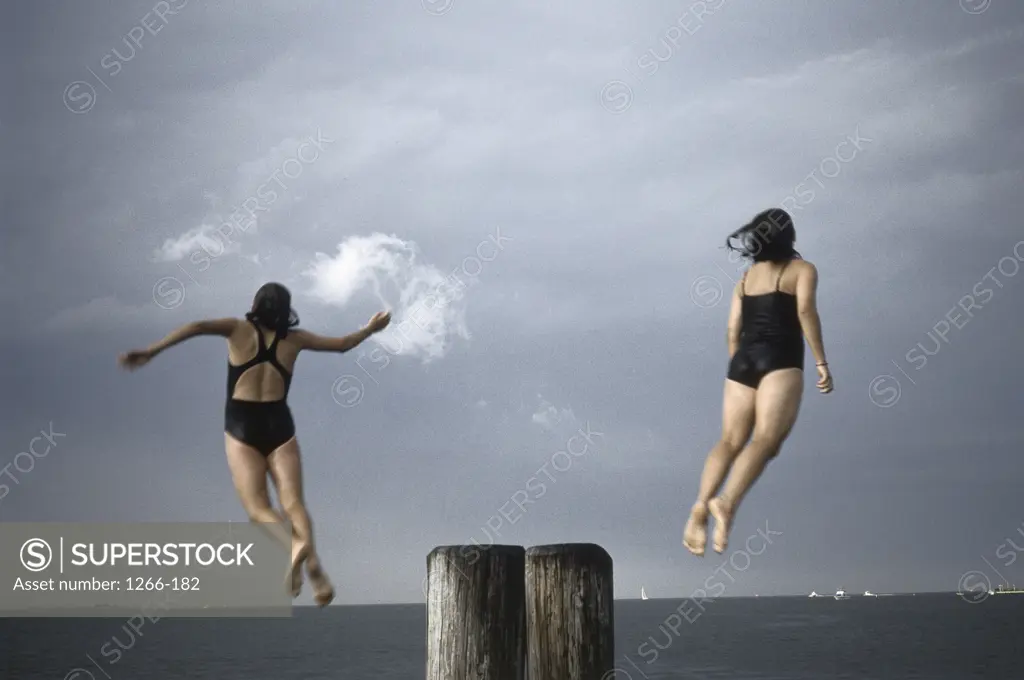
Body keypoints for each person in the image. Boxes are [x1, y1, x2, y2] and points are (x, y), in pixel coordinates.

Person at [118, 282, 392, 605]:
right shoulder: (296, 339)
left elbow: (196, 326)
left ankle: (293, 547)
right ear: (286, 308)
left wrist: (152, 350)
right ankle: (317, 574)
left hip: (242, 425)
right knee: (293, 503)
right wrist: (371, 328)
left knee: (258, 506)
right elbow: (343, 345)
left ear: (257, 304)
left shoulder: (237, 329)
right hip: (280, 424)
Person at [683, 209, 833, 556]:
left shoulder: (745, 280)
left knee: (730, 440)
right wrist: (821, 362)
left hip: (743, 362)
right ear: (790, 237)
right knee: (766, 439)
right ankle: (727, 503)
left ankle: (699, 505)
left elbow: (732, 329)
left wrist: (739, 363)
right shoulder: (803, 270)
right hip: (780, 360)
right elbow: (806, 312)